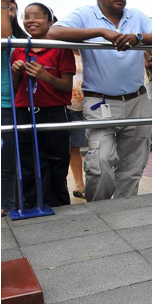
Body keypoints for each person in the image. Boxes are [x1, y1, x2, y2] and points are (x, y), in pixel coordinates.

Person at [47, 0, 152, 201]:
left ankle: (124, 213)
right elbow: (54, 32)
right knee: (101, 162)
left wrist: (138, 37)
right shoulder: (86, 14)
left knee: (133, 166)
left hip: (137, 100)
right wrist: (100, 32)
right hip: (99, 102)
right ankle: (99, 212)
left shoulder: (135, 15)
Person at [11, 3, 74, 207]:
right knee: (29, 164)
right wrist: (17, 73)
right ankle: (32, 207)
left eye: (37, 16)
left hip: (54, 114)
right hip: (25, 113)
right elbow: (13, 90)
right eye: (27, 16)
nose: (31, 20)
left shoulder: (60, 48)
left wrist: (46, 77)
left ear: (50, 21)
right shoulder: (18, 49)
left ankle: (59, 207)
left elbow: (67, 86)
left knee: (57, 163)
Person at [1, 0, 26, 216]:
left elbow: (9, 38)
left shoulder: (22, 37)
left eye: (11, 5)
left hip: (11, 103)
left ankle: (7, 204)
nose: (9, 8)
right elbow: (3, 38)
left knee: (8, 161)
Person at [67, 49, 86, 199]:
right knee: (71, 146)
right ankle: (78, 184)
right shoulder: (61, 51)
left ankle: (82, 184)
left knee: (76, 146)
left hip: (89, 104)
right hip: (66, 105)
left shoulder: (89, 51)